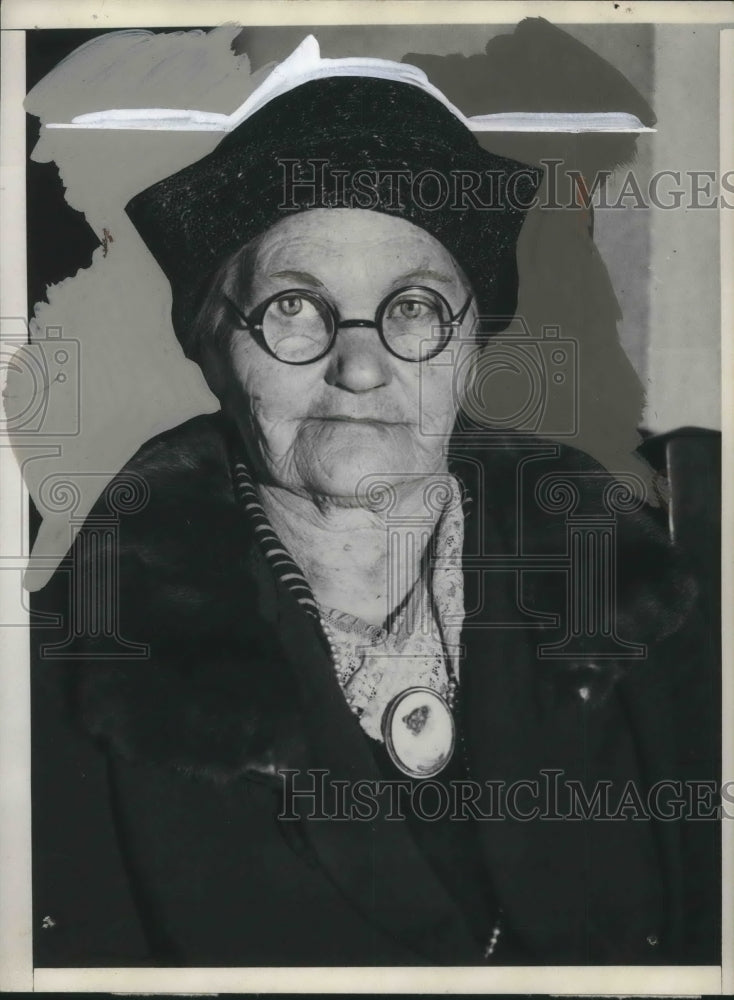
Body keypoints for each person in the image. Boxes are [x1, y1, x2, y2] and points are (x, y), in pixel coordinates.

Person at [31, 62, 718, 968]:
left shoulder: (647, 601)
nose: (359, 367)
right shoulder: (69, 677)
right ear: (210, 342)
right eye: (293, 307)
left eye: (417, 309)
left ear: (472, 344)